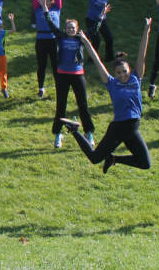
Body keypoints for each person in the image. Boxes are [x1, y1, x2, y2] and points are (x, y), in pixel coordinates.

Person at [59, 16, 153, 174]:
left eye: (124, 71)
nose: (122, 75)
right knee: (95, 158)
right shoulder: (112, 84)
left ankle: (114, 159)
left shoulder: (136, 79)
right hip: (120, 127)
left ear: (129, 70)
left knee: (145, 163)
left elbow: (142, 54)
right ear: (114, 74)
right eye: (118, 73)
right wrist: (85, 41)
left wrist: (146, 30)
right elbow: (96, 60)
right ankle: (74, 129)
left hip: (133, 128)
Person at [41, 0, 94, 149]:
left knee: (83, 105)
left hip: (78, 75)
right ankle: (58, 134)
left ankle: (88, 132)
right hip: (62, 75)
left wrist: (101, 16)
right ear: (65, 29)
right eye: (69, 27)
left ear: (77, 29)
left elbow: (95, 30)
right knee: (61, 106)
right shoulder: (61, 36)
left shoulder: (80, 39)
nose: (71, 30)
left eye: (73, 28)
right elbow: (50, 23)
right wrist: (45, 7)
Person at [33, 0, 62, 98]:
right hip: (41, 39)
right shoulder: (38, 9)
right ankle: (41, 87)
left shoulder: (56, 8)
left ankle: (59, 87)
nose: (45, 1)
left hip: (54, 39)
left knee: (56, 65)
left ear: (51, 1)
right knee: (42, 64)